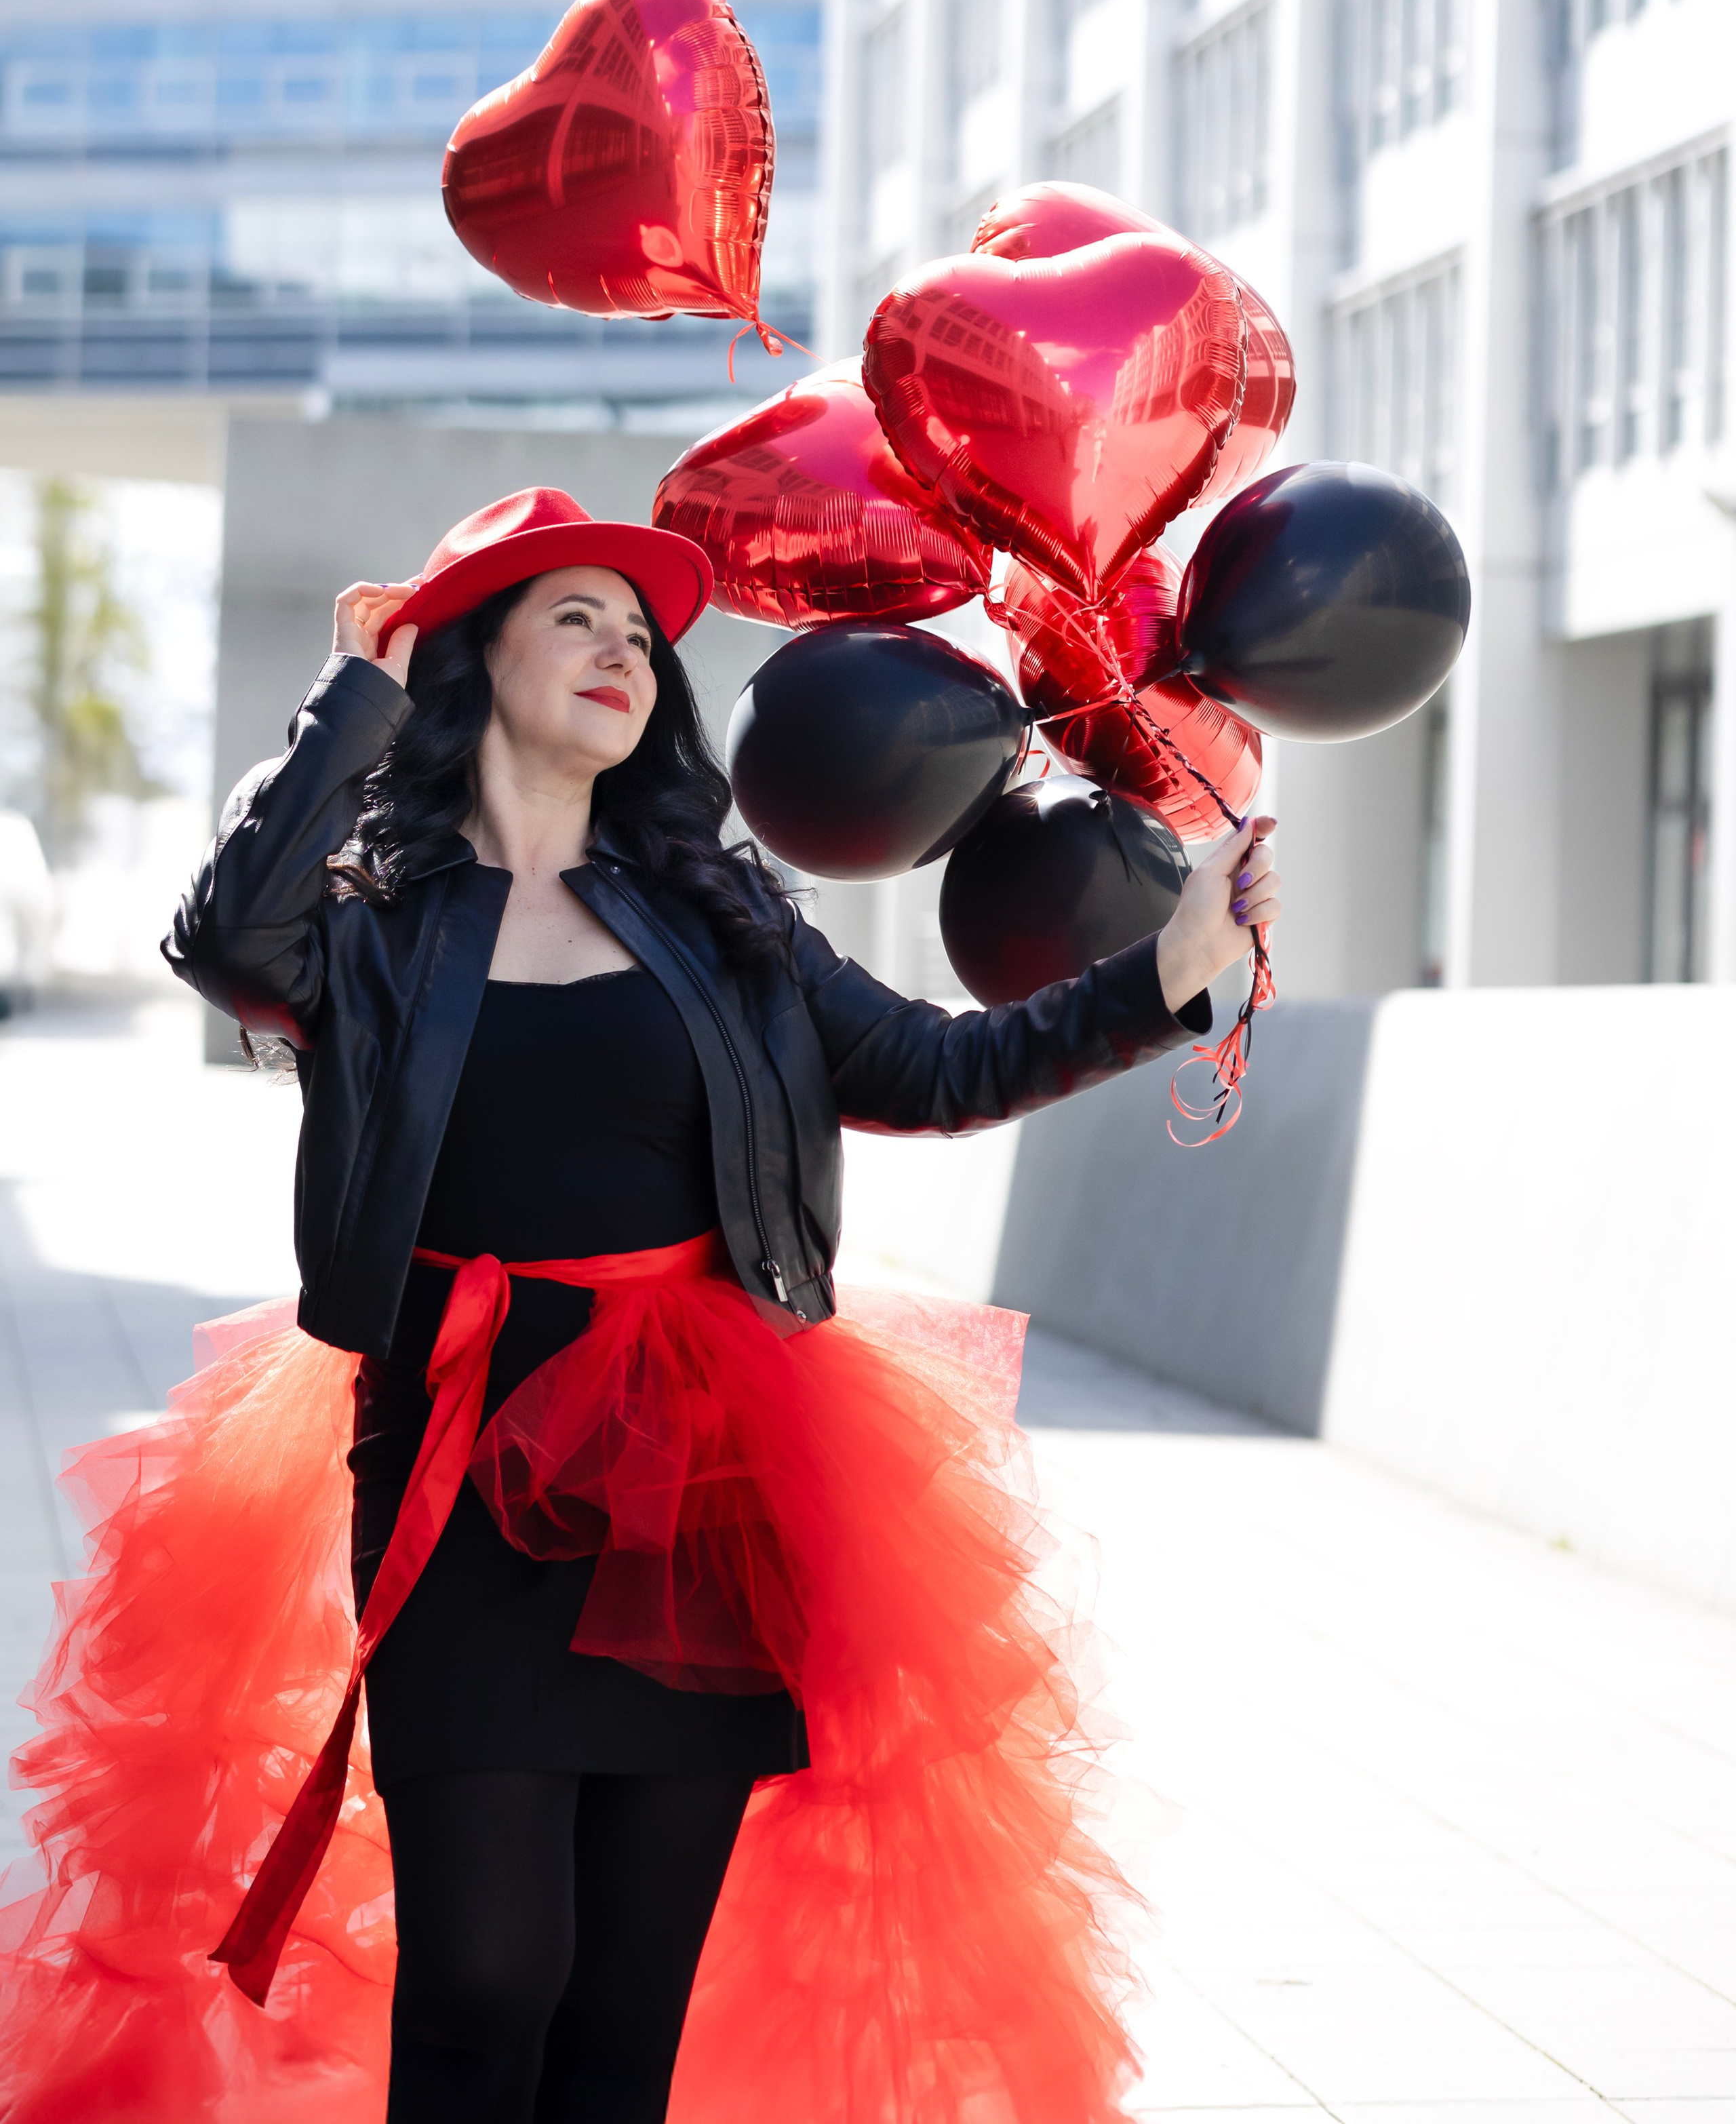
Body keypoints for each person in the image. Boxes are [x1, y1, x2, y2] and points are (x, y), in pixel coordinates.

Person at [0, 488, 1280, 2124]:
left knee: (620, 2002)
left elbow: (933, 1066)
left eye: (639, 634)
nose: (623, 651)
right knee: (484, 1968)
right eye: (574, 618)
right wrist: (354, 698)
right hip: (454, 1454)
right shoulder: (364, 908)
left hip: (697, 1465)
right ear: (473, 656)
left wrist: (1167, 969)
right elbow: (222, 941)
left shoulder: (720, 909)